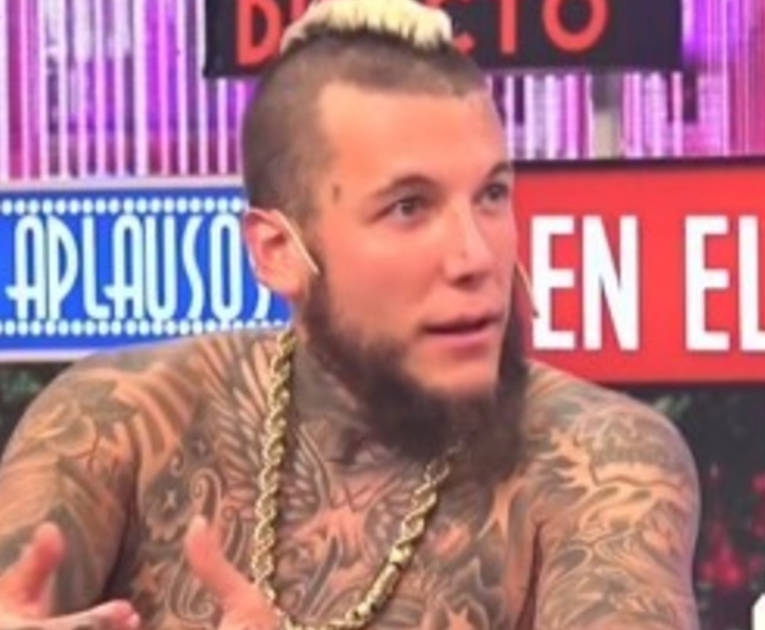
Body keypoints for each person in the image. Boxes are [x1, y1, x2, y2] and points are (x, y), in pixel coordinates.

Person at [0, 0, 702, 628]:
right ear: (279, 252)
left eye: (492, 195)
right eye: (409, 207)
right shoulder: (117, 424)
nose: (475, 257)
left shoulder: (601, 459)